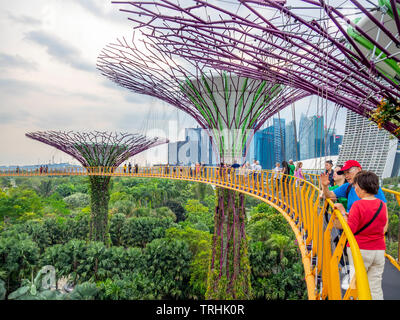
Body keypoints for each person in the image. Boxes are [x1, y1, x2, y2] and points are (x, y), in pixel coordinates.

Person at [333, 171, 388, 299]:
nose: (355, 188)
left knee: (356, 284)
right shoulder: (381, 205)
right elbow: (378, 223)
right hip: (379, 250)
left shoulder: (357, 205)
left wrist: (342, 211)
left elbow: (350, 229)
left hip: (360, 249)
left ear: (362, 188)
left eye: (355, 186)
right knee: (375, 287)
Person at [320, 160, 386, 213]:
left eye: (348, 172)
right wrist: (325, 186)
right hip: (349, 225)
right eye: (345, 173)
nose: (346, 176)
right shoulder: (347, 187)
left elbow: (383, 212)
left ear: (359, 170)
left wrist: (343, 212)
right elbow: (329, 195)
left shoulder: (372, 188)